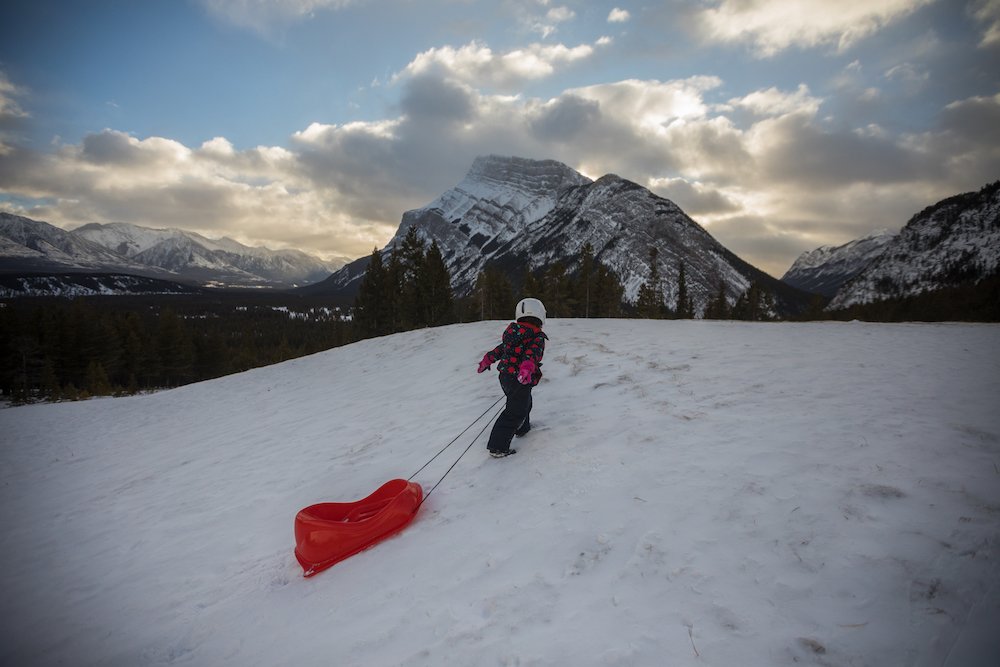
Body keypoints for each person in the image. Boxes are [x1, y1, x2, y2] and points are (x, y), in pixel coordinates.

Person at [477, 297, 548, 458]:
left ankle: (522, 428)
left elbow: (500, 350)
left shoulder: (513, 333)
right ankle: (497, 447)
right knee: (514, 411)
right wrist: (525, 370)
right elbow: (532, 355)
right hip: (520, 377)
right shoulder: (537, 337)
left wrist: (487, 360)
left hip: (505, 377)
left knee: (524, 403)